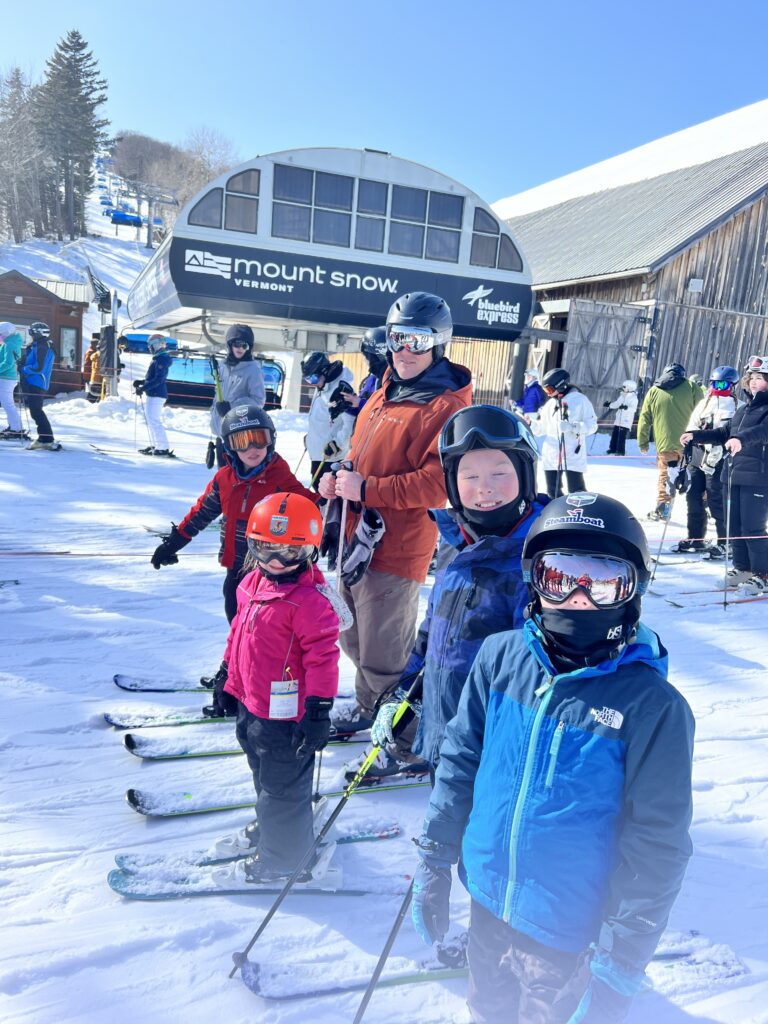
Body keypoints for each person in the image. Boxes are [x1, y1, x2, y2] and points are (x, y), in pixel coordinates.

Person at [411, 492, 694, 1024]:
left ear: (632, 590)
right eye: (561, 577)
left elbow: (658, 844)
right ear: (535, 582)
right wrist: (434, 854)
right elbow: (458, 762)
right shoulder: (500, 658)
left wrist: (622, 956)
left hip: (570, 933)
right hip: (488, 901)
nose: (579, 597)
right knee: (487, 1011)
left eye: (603, 580)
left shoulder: (653, 709)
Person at [319, 291, 472, 739]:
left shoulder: (445, 407)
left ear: (438, 343)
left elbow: (437, 485)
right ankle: (370, 709)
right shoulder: (387, 391)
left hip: (397, 549)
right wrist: (340, 476)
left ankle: (406, 741)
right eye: (397, 338)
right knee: (353, 636)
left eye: (418, 341)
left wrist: (366, 488)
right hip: (357, 541)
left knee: (384, 653)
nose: (405, 351)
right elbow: (360, 454)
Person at [365, 404, 545, 782]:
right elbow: (434, 634)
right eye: (469, 475)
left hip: (494, 753)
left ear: (526, 475)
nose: (485, 488)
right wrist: (405, 695)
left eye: (500, 473)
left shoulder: (536, 561)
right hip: (444, 738)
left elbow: (535, 678)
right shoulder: (454, 544)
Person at [216, 492, 340, 882]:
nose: (276, 562)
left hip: (288, 718)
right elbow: (238, 633)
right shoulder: (251, 582)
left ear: (309, 552)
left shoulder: (310, 602)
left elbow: (323, 659)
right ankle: (274, 828)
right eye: (266, 549)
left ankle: (285, 858)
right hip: (252, 705)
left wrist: (319, 711)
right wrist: (225, 675)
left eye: (290, 552)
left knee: (282, 785)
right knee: (265, 774)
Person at [150, 405, 317, 665]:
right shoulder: (224, 479)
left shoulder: (279, 476)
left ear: (271, 439)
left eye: (259, 439)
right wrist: (174, 543)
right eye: (242, 441)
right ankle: (235, 669)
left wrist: (330, 496)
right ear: (229, 447)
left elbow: (308, 506)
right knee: (237, 622)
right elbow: (201, 513)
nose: (252, 449)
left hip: (269, 571)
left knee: (261, 628)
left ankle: (261, 673)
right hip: (235, 568)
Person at [682, 355, 768, 594]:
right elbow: (724, 432)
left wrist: (740, 439)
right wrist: (695, 435)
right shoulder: (744, 408)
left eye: (759, 378)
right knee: (735, 526)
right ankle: (743, 569)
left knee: (753, 528)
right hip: (733, 475)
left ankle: (764, 573)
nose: (753, 382)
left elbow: (762, 432)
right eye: (751, 377)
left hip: (758, 477)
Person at [671, 365, 739, 556]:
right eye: (715, 383)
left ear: (732, 385)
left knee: (717, 499)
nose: (719, 387)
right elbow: (692, 425)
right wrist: (688, 437)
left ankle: (725, 541)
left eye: (723, 383)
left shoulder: (737, 406)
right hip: (698, 456)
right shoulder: (704, 403)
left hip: (720, 458)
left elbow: (733, 434)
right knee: (693, 497)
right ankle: (696, 537)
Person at [637, 363, 703, 520]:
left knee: (666, 476)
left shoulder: (654, 390)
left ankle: (663, 509)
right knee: (698, 476)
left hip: (666, 445)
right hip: (692, 444)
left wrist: (643, 442)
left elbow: (644, 418)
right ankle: (705, 508)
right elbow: (703, 411)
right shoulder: (692, 387)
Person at [530, 368, 597, 498]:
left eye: (549, 390)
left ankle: (579, 513)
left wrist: (573, 427)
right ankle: (556, 514)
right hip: (551, 453)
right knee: (552, 491)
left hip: (572, 453)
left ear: (561, 386)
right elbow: (541, 429)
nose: (548, 394)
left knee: (576, 490)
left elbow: (592, 426)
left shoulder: (580, 400)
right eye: (545, 391)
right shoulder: (550, 405)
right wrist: (531, 424)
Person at [209, 323, 265, 468]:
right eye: (237, 344)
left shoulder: (253, 369)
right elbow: (218, 395)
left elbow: (258, 400)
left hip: (239, 433)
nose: (240, 349)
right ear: (230, 345)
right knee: (222, 476)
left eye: (244, 346)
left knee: (235, 476)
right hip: (221, 432)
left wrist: (232, 408)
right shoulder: (223, 366)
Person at [301, 350, 354, 489]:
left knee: (327, 498)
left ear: (324, 371)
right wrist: (311, 437)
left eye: (313, 378)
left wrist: (338, 444)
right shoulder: (324, 385)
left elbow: (350, 423)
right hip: (319, 453)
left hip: (331, 456)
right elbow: (321, 418)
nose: (312, 383)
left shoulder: (340, 390)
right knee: (318, 491)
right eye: (308, 380)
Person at [20, 322, 60, 451]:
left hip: (37, 382)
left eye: (32, 332)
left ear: (38, 333)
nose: (31, 335)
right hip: (35, 381)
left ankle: (46, 439)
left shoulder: (42, 346)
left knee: (36, 411)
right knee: (35, 411)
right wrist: (23, 361)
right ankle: (44, 438)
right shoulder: (40, 345)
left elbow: (38, 368)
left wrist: (23, 368)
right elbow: (34, 362)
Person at [133, 334, 174, 457]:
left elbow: (159, 379)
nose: (149, 348)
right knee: (151, 421)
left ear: (157, 345)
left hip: (157, 394)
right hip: (154, 393)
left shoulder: (161, 359)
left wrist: (144, 387)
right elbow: (153, 377)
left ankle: (163, 447)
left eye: (150, 346)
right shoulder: (158, 358)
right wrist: (142, 382)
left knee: (154, 421)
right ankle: (157, 445)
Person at [341, 327, 388, 419]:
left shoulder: (392, 381)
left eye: (367, 356)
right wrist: (348, 404)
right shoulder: (373, 377)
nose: (365, 360)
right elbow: (361, 410)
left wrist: (359, 403)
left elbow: (386, 413)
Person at [0, 322, 26, 439]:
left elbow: (8, 363)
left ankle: (16, 429)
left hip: (6, 378)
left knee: (8, 404)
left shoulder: (10, 344)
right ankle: (15, 427)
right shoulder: (9, 343)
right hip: (7, 377)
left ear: (5, 333)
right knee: (8, 404)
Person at [603, 380, 638, 456]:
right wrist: (609, 405)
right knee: (615, 434)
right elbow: (617, 404)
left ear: (630, 388)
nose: (623, 388)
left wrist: (626, 408)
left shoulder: (634, 398)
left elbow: (633, 409)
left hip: (626, 420)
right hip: (619, 418)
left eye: (625, 387)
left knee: (621, 436)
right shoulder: (622, 396)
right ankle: (612, 449)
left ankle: (620, 451)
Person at [82, 334, 102, 403]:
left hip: (89, 375)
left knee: (93, 390)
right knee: (93, 391)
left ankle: (92, 403)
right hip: (90, 375)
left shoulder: (90, 351)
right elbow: (87, 364)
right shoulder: (91, 352)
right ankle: (89, 403)